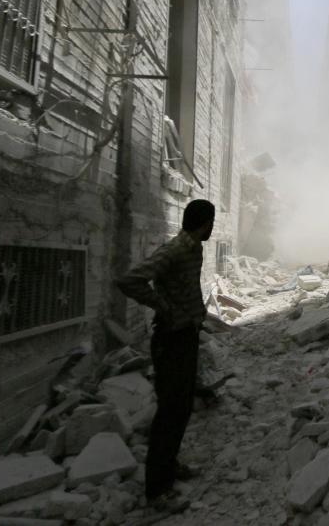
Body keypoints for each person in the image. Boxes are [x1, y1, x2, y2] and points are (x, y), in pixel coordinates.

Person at [115, 199, 215, 514]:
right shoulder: (175, 250)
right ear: (205, 223)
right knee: (169, 412)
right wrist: (162, 306)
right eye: (211, 222)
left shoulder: (194, 246)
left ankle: (169, 466)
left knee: (181, 407)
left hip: (185, 336)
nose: (212, 228)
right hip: (171, 340)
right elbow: (129, 280)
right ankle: (157, 492)